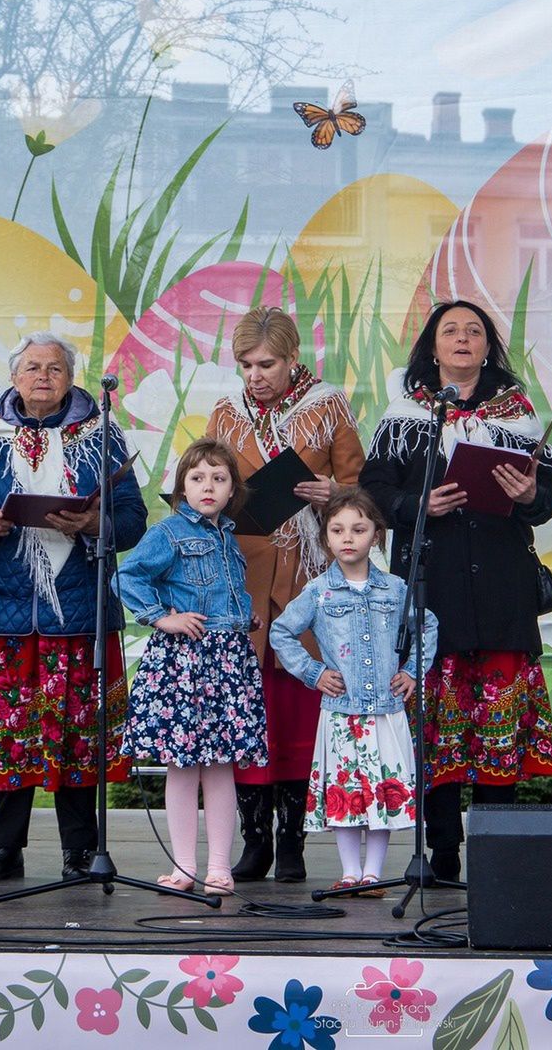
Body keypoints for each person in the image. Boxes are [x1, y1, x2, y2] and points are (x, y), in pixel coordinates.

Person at [360, 299, 552, 881]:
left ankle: (498, 854)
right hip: (432, 586)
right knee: (435, 729)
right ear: (432, 346)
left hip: (501, 590)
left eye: (474, 331)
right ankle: (441, 854)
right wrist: (417, 504)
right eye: (451, 331)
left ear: (487, 347)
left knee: (498, 724)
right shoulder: (404, 413)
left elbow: (548, 498)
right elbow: (373, 490)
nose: (463, 339)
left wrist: (527, 496)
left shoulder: (518, 413)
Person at [0, 333, 146, 883]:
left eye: (55, 368)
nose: (43, 376)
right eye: (32, 367)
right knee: (9, 732)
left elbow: (131, 518)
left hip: (77, 612)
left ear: (71, 378)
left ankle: (80, 852)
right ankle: (4, 849)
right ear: (14, 377)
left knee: (77, 734)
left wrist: (92, 524)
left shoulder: (101, 436)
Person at [206, 306, 365, 883]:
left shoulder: (327, 406)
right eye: (246, 365)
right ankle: (255, 843)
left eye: (267, 363)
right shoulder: (224, 413)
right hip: (242, 581)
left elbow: (366, 499)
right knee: (251, 710)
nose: (255, 375)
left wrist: (334, 492)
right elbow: (203, 481)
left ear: (293, 358)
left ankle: (293, 843)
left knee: (299, 706)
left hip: (308, 580)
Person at [115, 438, 267, 894]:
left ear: (232, 490)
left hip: (226, 659)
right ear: (182, 486)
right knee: (183, 767)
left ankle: (218, 866)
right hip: (185, 663)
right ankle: (184, 865)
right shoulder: (167, 533)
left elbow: (221, 594)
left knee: (220, 765)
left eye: (219, 479)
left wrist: (244, 616)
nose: (208, 486)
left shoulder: (228, 538)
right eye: (198, 478)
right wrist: (164, 617)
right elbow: (125, 576)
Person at [269, 488, 438, 894]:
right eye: (338, 529)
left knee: (383, 791)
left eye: (358, 529)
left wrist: (413, 672)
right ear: (326, 537)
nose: (348, 538)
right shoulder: (319, 591)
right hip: (342, 712)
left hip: (386, 709)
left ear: (376, 536)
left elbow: (427, 625)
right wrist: (314, 673)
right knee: (346, 793)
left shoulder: (396, 589)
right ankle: (349, 871)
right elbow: (281, 631)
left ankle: (374, 873)